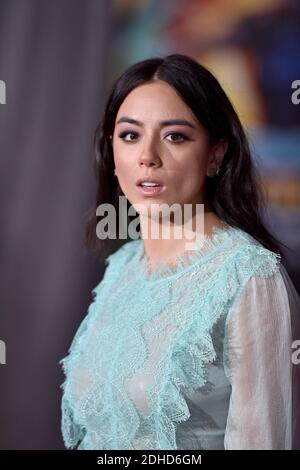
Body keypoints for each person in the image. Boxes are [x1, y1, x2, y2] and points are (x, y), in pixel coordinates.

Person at [59, 54, 300, 450]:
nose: (148, 157)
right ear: (113, 151)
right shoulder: (122, 268)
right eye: (130, 135)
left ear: (216, 154)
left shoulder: (250, 277)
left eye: (175, 136)